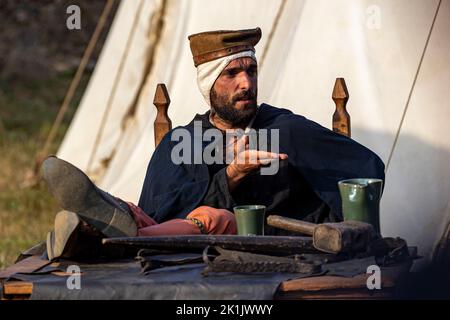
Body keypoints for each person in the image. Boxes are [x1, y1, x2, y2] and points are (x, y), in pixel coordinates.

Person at [43, 27, 384, 260]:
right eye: (232, 74)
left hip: (270, 248)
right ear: (209, 86)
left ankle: (103, 236)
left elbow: (366, 172)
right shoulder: (182, 141)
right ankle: (100, 218)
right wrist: (233, 174)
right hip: (183, 252)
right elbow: (160, 210)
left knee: (211, 216)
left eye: (251, 71)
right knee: (141, 215)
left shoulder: (287, 130)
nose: (246, 83)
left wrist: (334, 222)